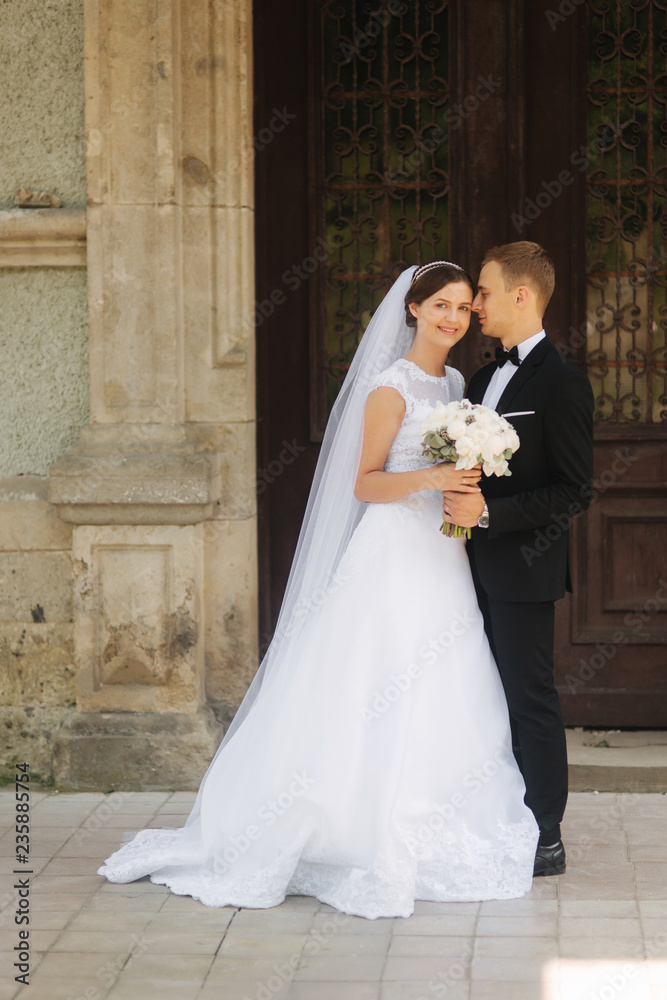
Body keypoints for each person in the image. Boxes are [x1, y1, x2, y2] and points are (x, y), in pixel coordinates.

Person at [98, 261, 539, 920]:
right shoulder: (387, 389)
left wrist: (462, 482)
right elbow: (364, 482)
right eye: (438, 306)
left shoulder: (452, 381)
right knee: (373, 678)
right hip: (390, 554)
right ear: (412, 309)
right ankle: (344, 823)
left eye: (459, 307)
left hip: (440, 556)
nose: (451, 318)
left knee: (446, 675)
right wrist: (431, 478)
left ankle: (443, 811)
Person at [440, 242, 594, 877]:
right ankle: (488, 816)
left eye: (483, 291)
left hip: (523, 570)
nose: (476, 304)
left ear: (521, 296)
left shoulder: (562, 382)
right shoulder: (481, 379)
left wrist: (491, 516)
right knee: (476, 694)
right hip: (459, 569)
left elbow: (574, 489)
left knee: (529, 696)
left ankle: (546, 834)